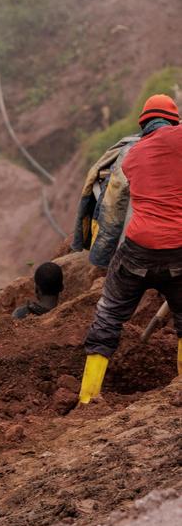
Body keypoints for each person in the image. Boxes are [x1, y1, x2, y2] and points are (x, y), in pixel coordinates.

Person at [79, 95, 182, 404]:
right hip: (178, 250)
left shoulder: (132, 157)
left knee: (108, 315)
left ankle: (87, 397)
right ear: (173, 121)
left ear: (143, 125)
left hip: (136, 250)